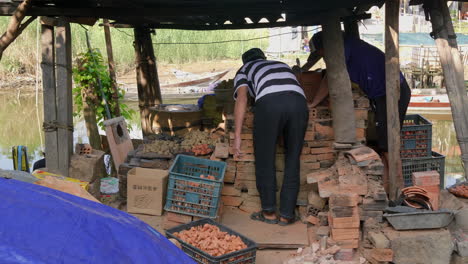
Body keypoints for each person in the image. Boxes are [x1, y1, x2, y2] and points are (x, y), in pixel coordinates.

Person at [302, 31, 411, 190]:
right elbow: (318, 62)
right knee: (382, 144)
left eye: (321, 53)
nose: (323, 58)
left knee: (389, 144)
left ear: (326, 47)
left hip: (392, 93)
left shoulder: (342, 50)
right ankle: (387, 187)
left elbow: (331, 76)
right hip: (382, 94)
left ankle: (398, 188)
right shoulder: (346, 46)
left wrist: (313, 103)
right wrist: (303, 70)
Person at [233, 48, 308, 226]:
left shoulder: (244, 70)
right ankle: (287, 215)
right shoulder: (281, 64)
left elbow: (242, 99)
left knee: (265, 158)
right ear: (263, 58)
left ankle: (269, 213)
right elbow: (290, 88)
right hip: (298, 103)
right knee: (292, 158)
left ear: (245, 62)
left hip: (269, 104)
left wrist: (237, 136)